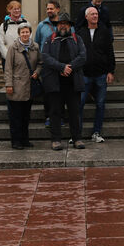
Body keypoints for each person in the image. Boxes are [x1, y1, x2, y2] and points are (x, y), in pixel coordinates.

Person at [41, 12, 88, 150]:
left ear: (69, 26)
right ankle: (56, 139)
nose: (63, 26)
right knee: (55, 112)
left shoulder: (77, 39)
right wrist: (61, 67)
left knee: (75, 112)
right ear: (57, 25)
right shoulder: (50, 39)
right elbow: (45, 57)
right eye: (60, 24)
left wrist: (70, 67)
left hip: (73, 82)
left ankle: (77, 138)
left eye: (65, 24)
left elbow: (83, 56)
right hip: (55, 83)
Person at [77, 5, 115, 143]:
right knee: (79, 103)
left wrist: (111, 71)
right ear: (86, 17)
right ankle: (77, 134)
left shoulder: (104, 31)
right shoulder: (80, 32)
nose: (95, 16)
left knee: (100, 103)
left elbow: (110, 52)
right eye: (92, 14)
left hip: (101, 74)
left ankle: (96, 132)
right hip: (84, 74)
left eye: (96, 14)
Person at [4, 23, 40, 150]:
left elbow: (40, 63)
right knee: (15, 117)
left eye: (27, 32)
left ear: (30, 33)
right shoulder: (13, 48)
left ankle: (25, 140)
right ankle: (16, 141)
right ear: (19, 34)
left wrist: (37, 72)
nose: (25, 34)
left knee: (26, 116)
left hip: (29, 87)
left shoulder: (35, 47)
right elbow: (8, 68)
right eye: (22, 32)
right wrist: (8, 84)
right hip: (16, 87)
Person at [35, 0, 62, 126]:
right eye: (48, 9)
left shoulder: (65, 25)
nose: (49, 11)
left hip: (61, 64)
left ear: (58, 9)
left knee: (61, 92)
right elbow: (37, 43)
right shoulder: (41, 25)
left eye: (51, 8)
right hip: (46, 65)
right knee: (48, 93)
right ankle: (49, 117)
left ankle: (60, 116)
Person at [0, 0, 30, 72]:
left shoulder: (26, 24)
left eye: (18, 8)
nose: (17, 10)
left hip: (23, 59)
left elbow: (29, 40)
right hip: (8, 59)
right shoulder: (3, 26)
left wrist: (21, 56)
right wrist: (8, 57)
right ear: (9, 10)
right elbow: (0, 43)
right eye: (14, 9)